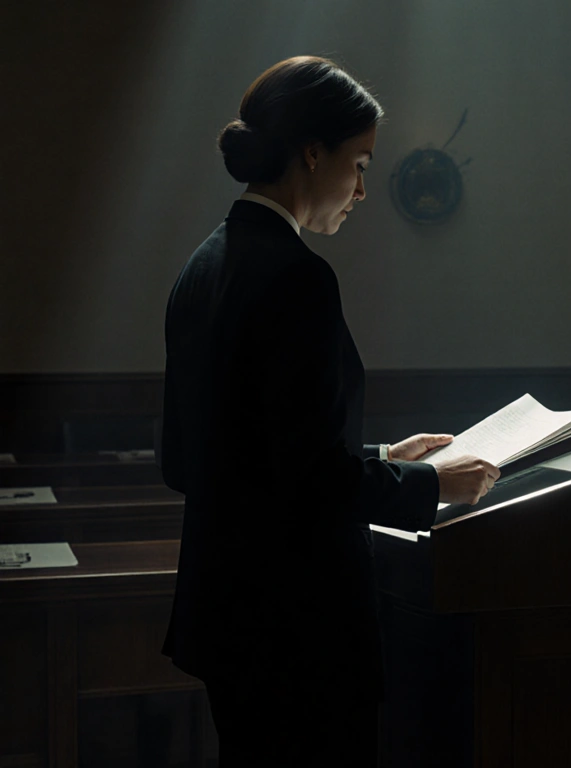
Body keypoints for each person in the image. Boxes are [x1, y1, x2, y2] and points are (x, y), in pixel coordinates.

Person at [158, 56, 500, 765]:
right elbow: (310, 483)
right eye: (361, 163)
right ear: (313, 153)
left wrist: (377, 457)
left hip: (228, 619)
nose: (363, 190)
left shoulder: (204, 263)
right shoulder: (296, 277)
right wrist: (437, 486)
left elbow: (197, 456)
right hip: (297, 630)